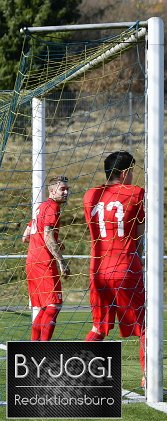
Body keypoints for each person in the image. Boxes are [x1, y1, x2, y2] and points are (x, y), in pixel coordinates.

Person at [83, 151, 147, 386]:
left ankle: (75, 373)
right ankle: (148, 378)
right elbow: (139, 231)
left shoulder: (90, 195)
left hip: (98, 269)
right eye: (132, 171)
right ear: (125, 172)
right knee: (146, 327)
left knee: (99, 328)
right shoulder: (136, 193)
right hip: (125, 267)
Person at [25, 175, 71, 341]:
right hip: (44, 262)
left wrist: (55, 240)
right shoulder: (52, 207)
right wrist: (62, 262)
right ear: (52, 191)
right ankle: (44, 348)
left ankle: (33, 347)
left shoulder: (41, 207)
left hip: (32, 261)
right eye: (62, 189)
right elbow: (47, 235)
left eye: (67, 189)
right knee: (54, 305)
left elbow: (25, 236)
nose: (66, 192)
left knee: (45, 307)